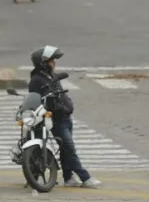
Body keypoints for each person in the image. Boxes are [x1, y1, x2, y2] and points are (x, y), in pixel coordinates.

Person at [28, 46, 101, 188]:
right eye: (51, 61)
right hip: (55, 119)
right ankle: (85, 178)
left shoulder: (51, 76)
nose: (54, 63)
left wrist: (67, 105)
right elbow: (39, 99)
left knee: (65, 149)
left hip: (65, 117)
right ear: (43, 63)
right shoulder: (37, 80)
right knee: (69, 148)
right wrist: (58, 107)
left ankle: (68, 178)